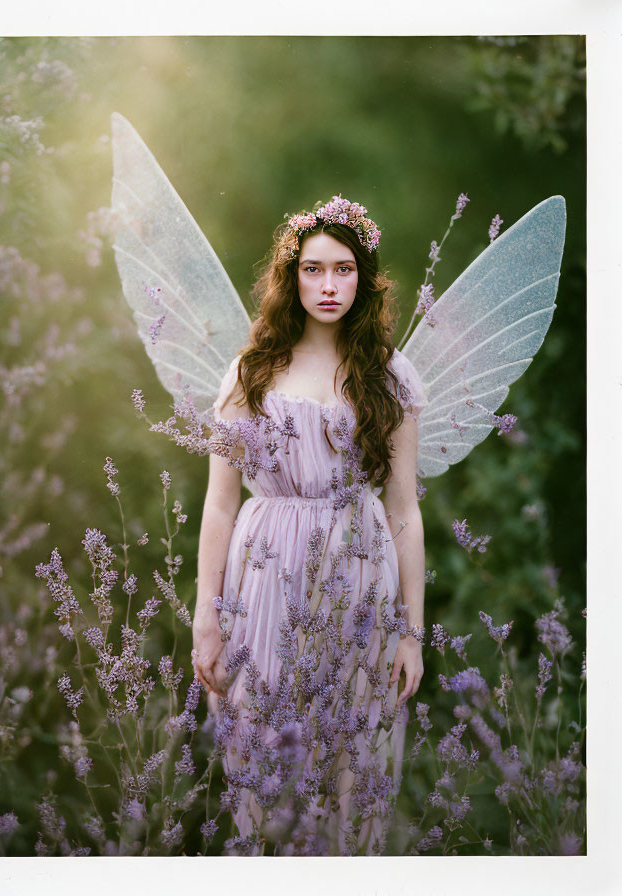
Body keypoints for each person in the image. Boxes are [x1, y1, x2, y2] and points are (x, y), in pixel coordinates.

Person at [191, 197, 428, 855]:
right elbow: (218, 505)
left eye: (345, 270)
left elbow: (404, 511)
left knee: (354, 767)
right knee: (267, 761)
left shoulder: (389, 376)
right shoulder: (251, 373)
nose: (329, 286)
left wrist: (410, 633)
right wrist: (206, 617)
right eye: (314, 269)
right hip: (264, 577)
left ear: (364, 277)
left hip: (361, 575)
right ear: (291, 277)